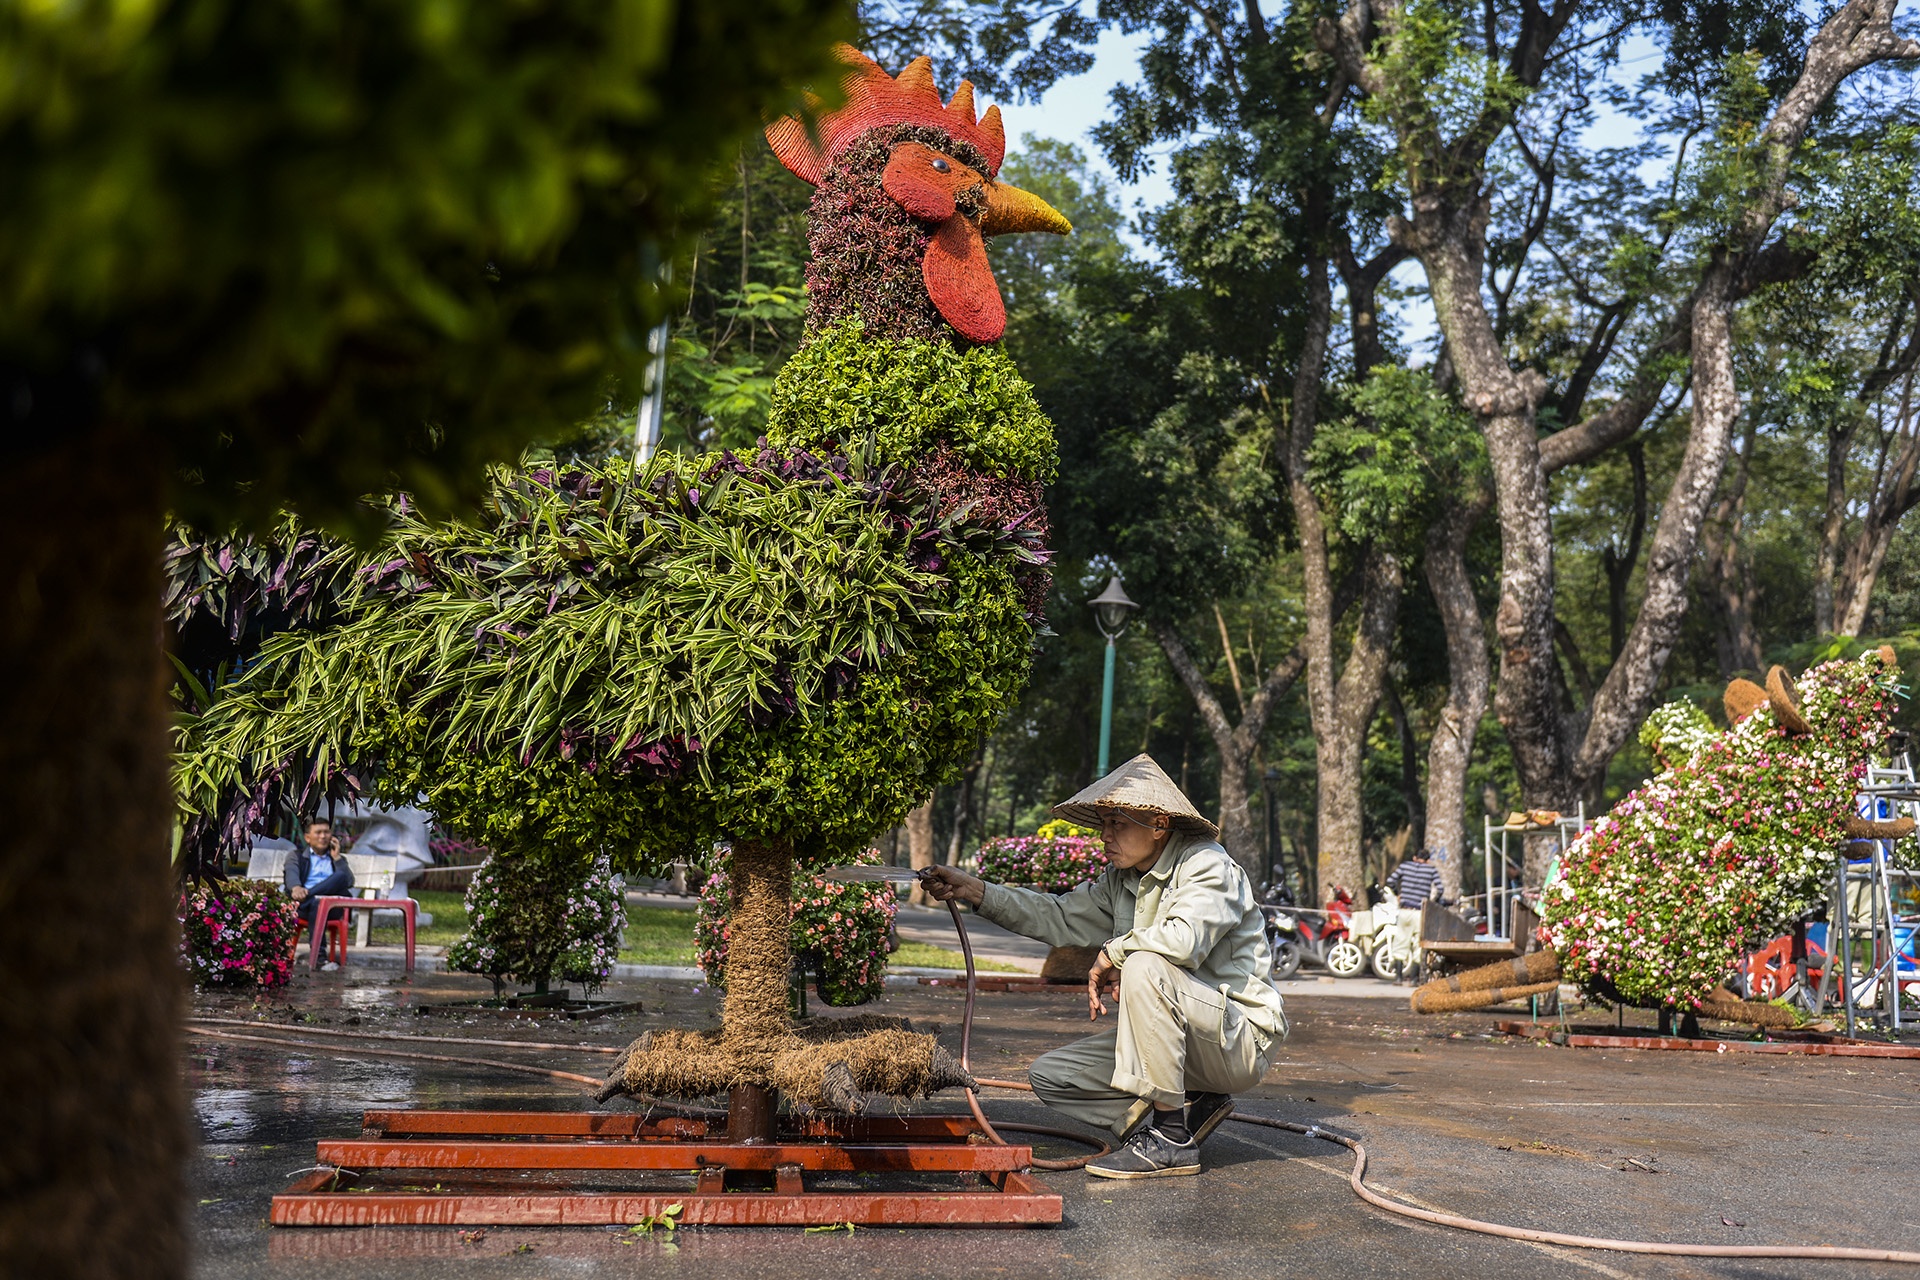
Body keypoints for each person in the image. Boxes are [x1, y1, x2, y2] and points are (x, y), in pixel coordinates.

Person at [922, 754, 1286, 1180]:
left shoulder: (1207, 864)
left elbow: (1183, 941)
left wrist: (1115, 952)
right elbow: (1056, 915)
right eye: (1103, 824)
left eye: (1118, 823)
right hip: (1188, 1046)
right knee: (1053, 1077)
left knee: (1146, 964)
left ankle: (1170, 1140)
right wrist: (974, 890)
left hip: (1239, 1041)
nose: (1104, 836)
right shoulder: (1120, 880)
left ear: (1158, 824)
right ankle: (1185, 1112)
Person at [283, 816, 354, 947]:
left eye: (326, 832)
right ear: (307, 837)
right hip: (304, 907)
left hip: (330, 907)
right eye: (318, 832)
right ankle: (320, 957)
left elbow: (348, 881)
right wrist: (296, 888)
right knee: (318, 903)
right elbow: (291, 873)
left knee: (340, 876)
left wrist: (337, 858)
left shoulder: (337, 858)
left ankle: (310, 897)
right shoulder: (296, 856)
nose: (323, 836)